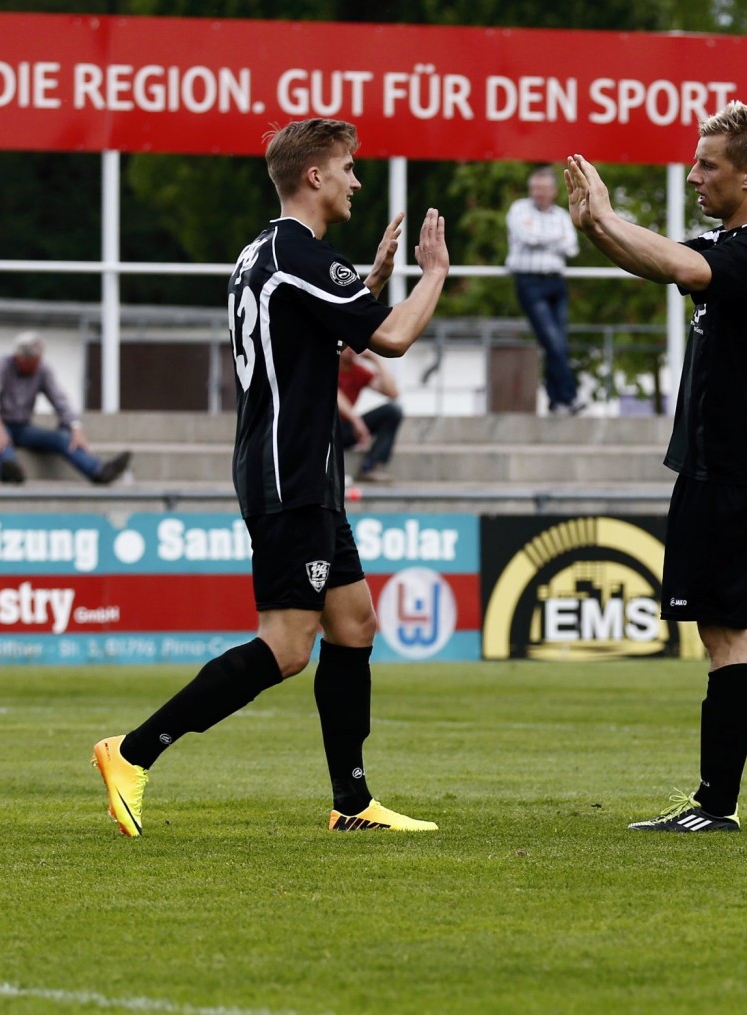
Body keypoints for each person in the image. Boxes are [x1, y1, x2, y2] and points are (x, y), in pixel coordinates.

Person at [91, 117, 451, 837]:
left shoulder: (264, 251)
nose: (356, 180)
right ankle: (131, 751)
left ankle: (353, 805)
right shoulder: (301, 254)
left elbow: (323, 333)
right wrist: (434, 270)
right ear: (314, 175)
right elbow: (394, 340)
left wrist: (370, 283)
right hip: (291, 471)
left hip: (299, 466)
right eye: (347, 168)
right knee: (288, 646)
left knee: (355, 626)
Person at [565, 102, 747, 832]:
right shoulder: (740, 242)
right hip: (728, 459)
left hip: (740, 461)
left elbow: (674, 261)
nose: (694, 176)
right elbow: (656, 262)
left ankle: (714, 805)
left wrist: (606, 215)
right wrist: (596, 228)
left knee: (724, 631)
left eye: (708, 165)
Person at [0, 332, 132, 486]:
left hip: (23, 428)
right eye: (30, 361)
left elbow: (59, 399)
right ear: (18, 357)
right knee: (3, 446)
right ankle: (8, 471)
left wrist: (75, 426)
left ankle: (98, 471)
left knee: (63, 438)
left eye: (36, 360)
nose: (35, 364)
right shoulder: (3, 366)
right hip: (2, 425)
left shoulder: (42, 370)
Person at [507, 166, 584, 415]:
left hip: (556, 283)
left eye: (543, 189)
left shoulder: (562, 214)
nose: (538, 193)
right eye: (535, 189)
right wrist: (554, 239)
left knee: (558, 343)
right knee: (552, 341)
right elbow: (528, 238)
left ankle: (556, 401)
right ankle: (570, 397)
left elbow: (572, 248)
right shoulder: (519, 209)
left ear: (553, 191)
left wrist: (542, 237)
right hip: (530, 283)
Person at [337, 345, 404, 483]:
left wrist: (376, 359)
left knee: (392, 411)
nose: (351, 349)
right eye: (346, 344)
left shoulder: (358, 372)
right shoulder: (328, 366)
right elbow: (335, 395)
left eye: (353, 344)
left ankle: (370, 467)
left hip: (345, 430)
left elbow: (393, 393)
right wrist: (356, 421)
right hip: (323, 430)